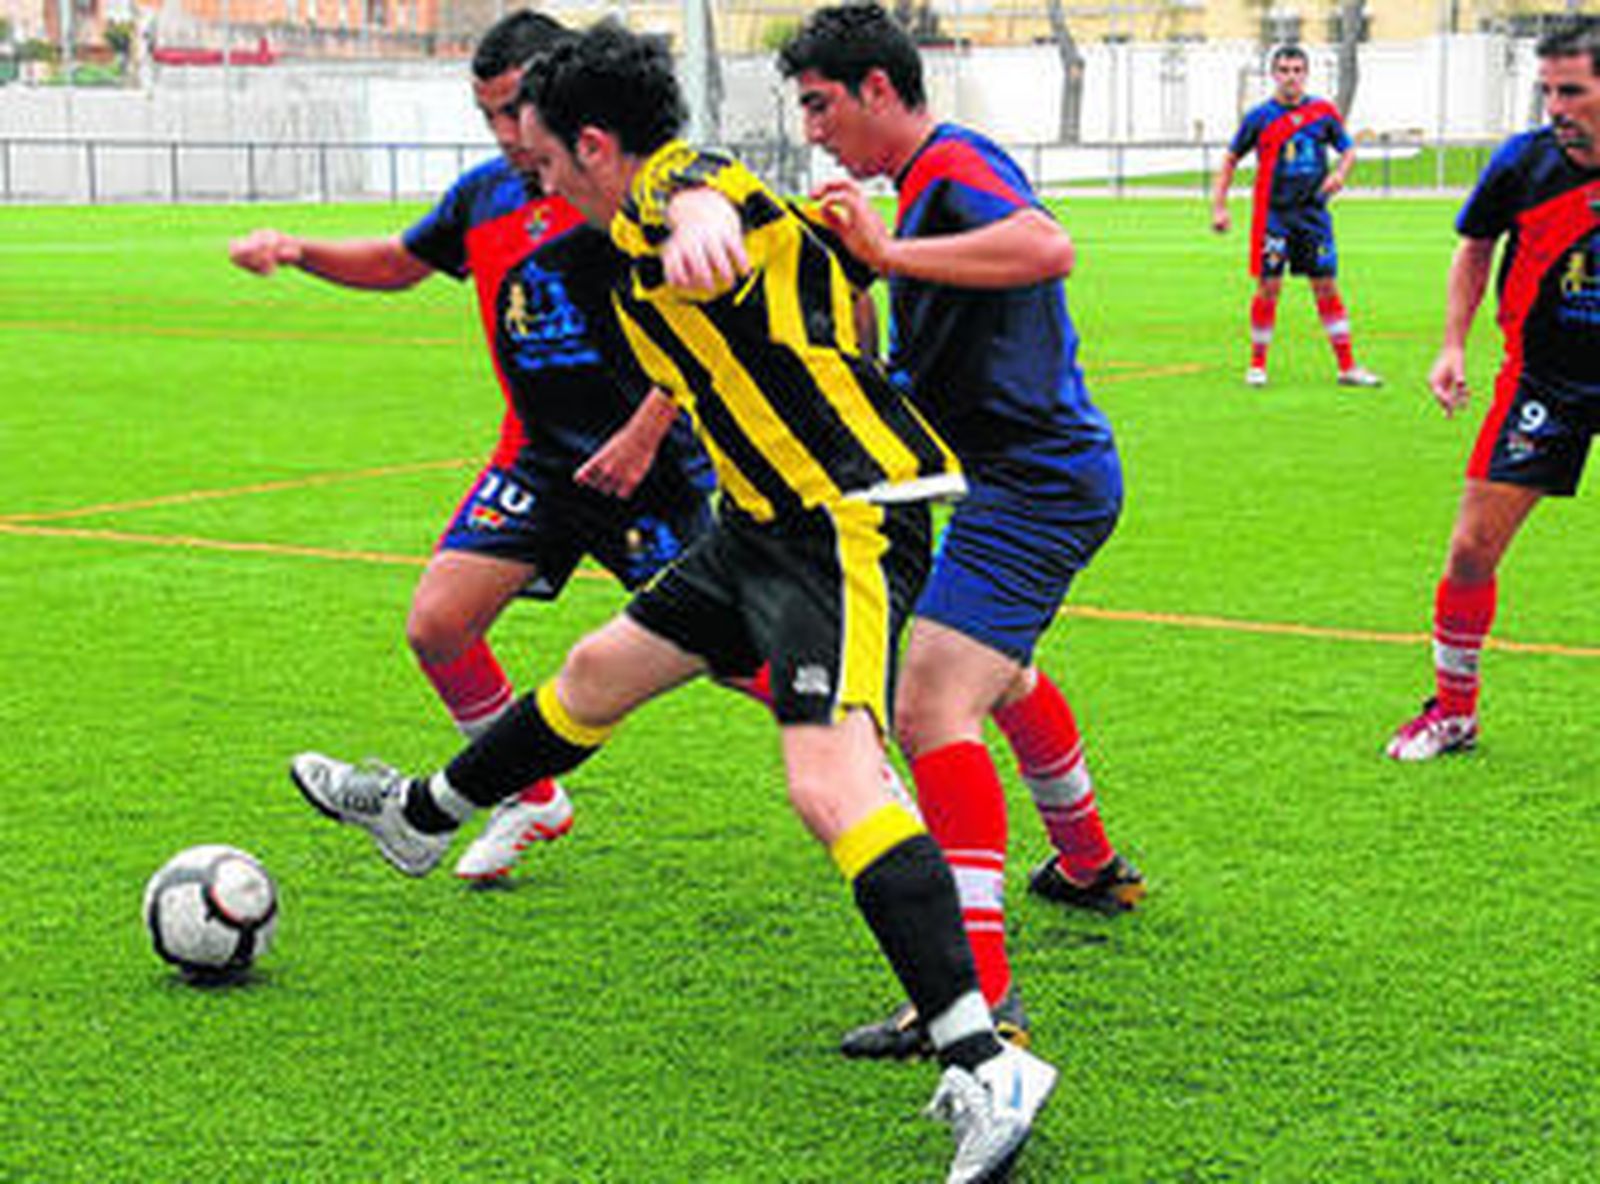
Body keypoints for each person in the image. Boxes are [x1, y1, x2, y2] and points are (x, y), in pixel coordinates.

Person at [291, 21, 1057, 1182]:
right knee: (599, 671)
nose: (531, 178)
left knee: (827, 777)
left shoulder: (677, 192)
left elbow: (709, 207)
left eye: (543, 157)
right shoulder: (623, 230)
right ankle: (423, 814)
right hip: (755, 521)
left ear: (596, 146)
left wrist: (704, 229)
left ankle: (981, 1056)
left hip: (837, 520)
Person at [228, 11, 716, 880]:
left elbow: (701, 323)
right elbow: (398, 260)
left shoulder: (623, 191)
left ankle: (873, 789)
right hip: (537, 460)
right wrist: (299, 250)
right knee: (440, 625)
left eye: (516, 109)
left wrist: (647, 432)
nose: (504, 134)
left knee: (740, 656)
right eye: (486, 113)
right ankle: (528, 797)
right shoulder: (485, 195)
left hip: (649, 469)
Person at [776, 2, 1143, 1060]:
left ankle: (973, 999)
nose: (812, 131)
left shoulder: (950, 164)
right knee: (1000, 675)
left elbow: (1046, 244)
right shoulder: (913, 195)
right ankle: (1085, 861)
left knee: (931, 697)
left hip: (1039, 483)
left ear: (878, 90)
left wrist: (884, 252)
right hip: (1004, 481)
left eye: (820, 104)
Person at [1386, 17, 1600, 761]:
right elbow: (1475, 247)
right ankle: (1454, 713)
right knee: (1472, 549)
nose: (1555, 108)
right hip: (1543, 380)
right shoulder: (1524, 163)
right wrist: (1452, 343)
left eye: (1571, 91)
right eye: (1546, 91)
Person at [1210, 44, 1382, 390]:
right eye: (1284, 70)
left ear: (1306, 74)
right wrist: (1219, 205)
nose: (1291, 77)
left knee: (1326, 284)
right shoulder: (1260, 117)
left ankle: (1347, 366)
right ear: (1274, 75)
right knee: (1269, 286)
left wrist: (1340, 174)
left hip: (1313, 216)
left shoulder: (1322, 112)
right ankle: (1257, 365)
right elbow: (1230, 159)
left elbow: (1348, 149)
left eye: (1297, 70)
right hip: (1274, 215)